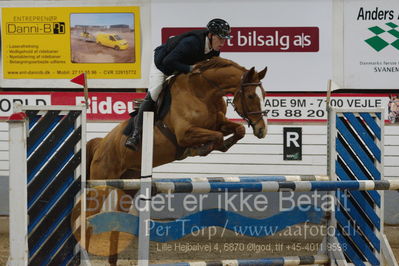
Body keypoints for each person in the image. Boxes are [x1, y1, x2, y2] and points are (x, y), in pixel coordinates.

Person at [125, 18, 232, 150]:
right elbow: (168, 61)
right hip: (163, 65)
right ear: (210, 35)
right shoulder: (191, 43)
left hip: (181, 66)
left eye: (225, 39)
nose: (223, 42)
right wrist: (190, 69)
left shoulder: (214, 49)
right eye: (220, 38)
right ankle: (135, 134)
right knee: (155, 92)